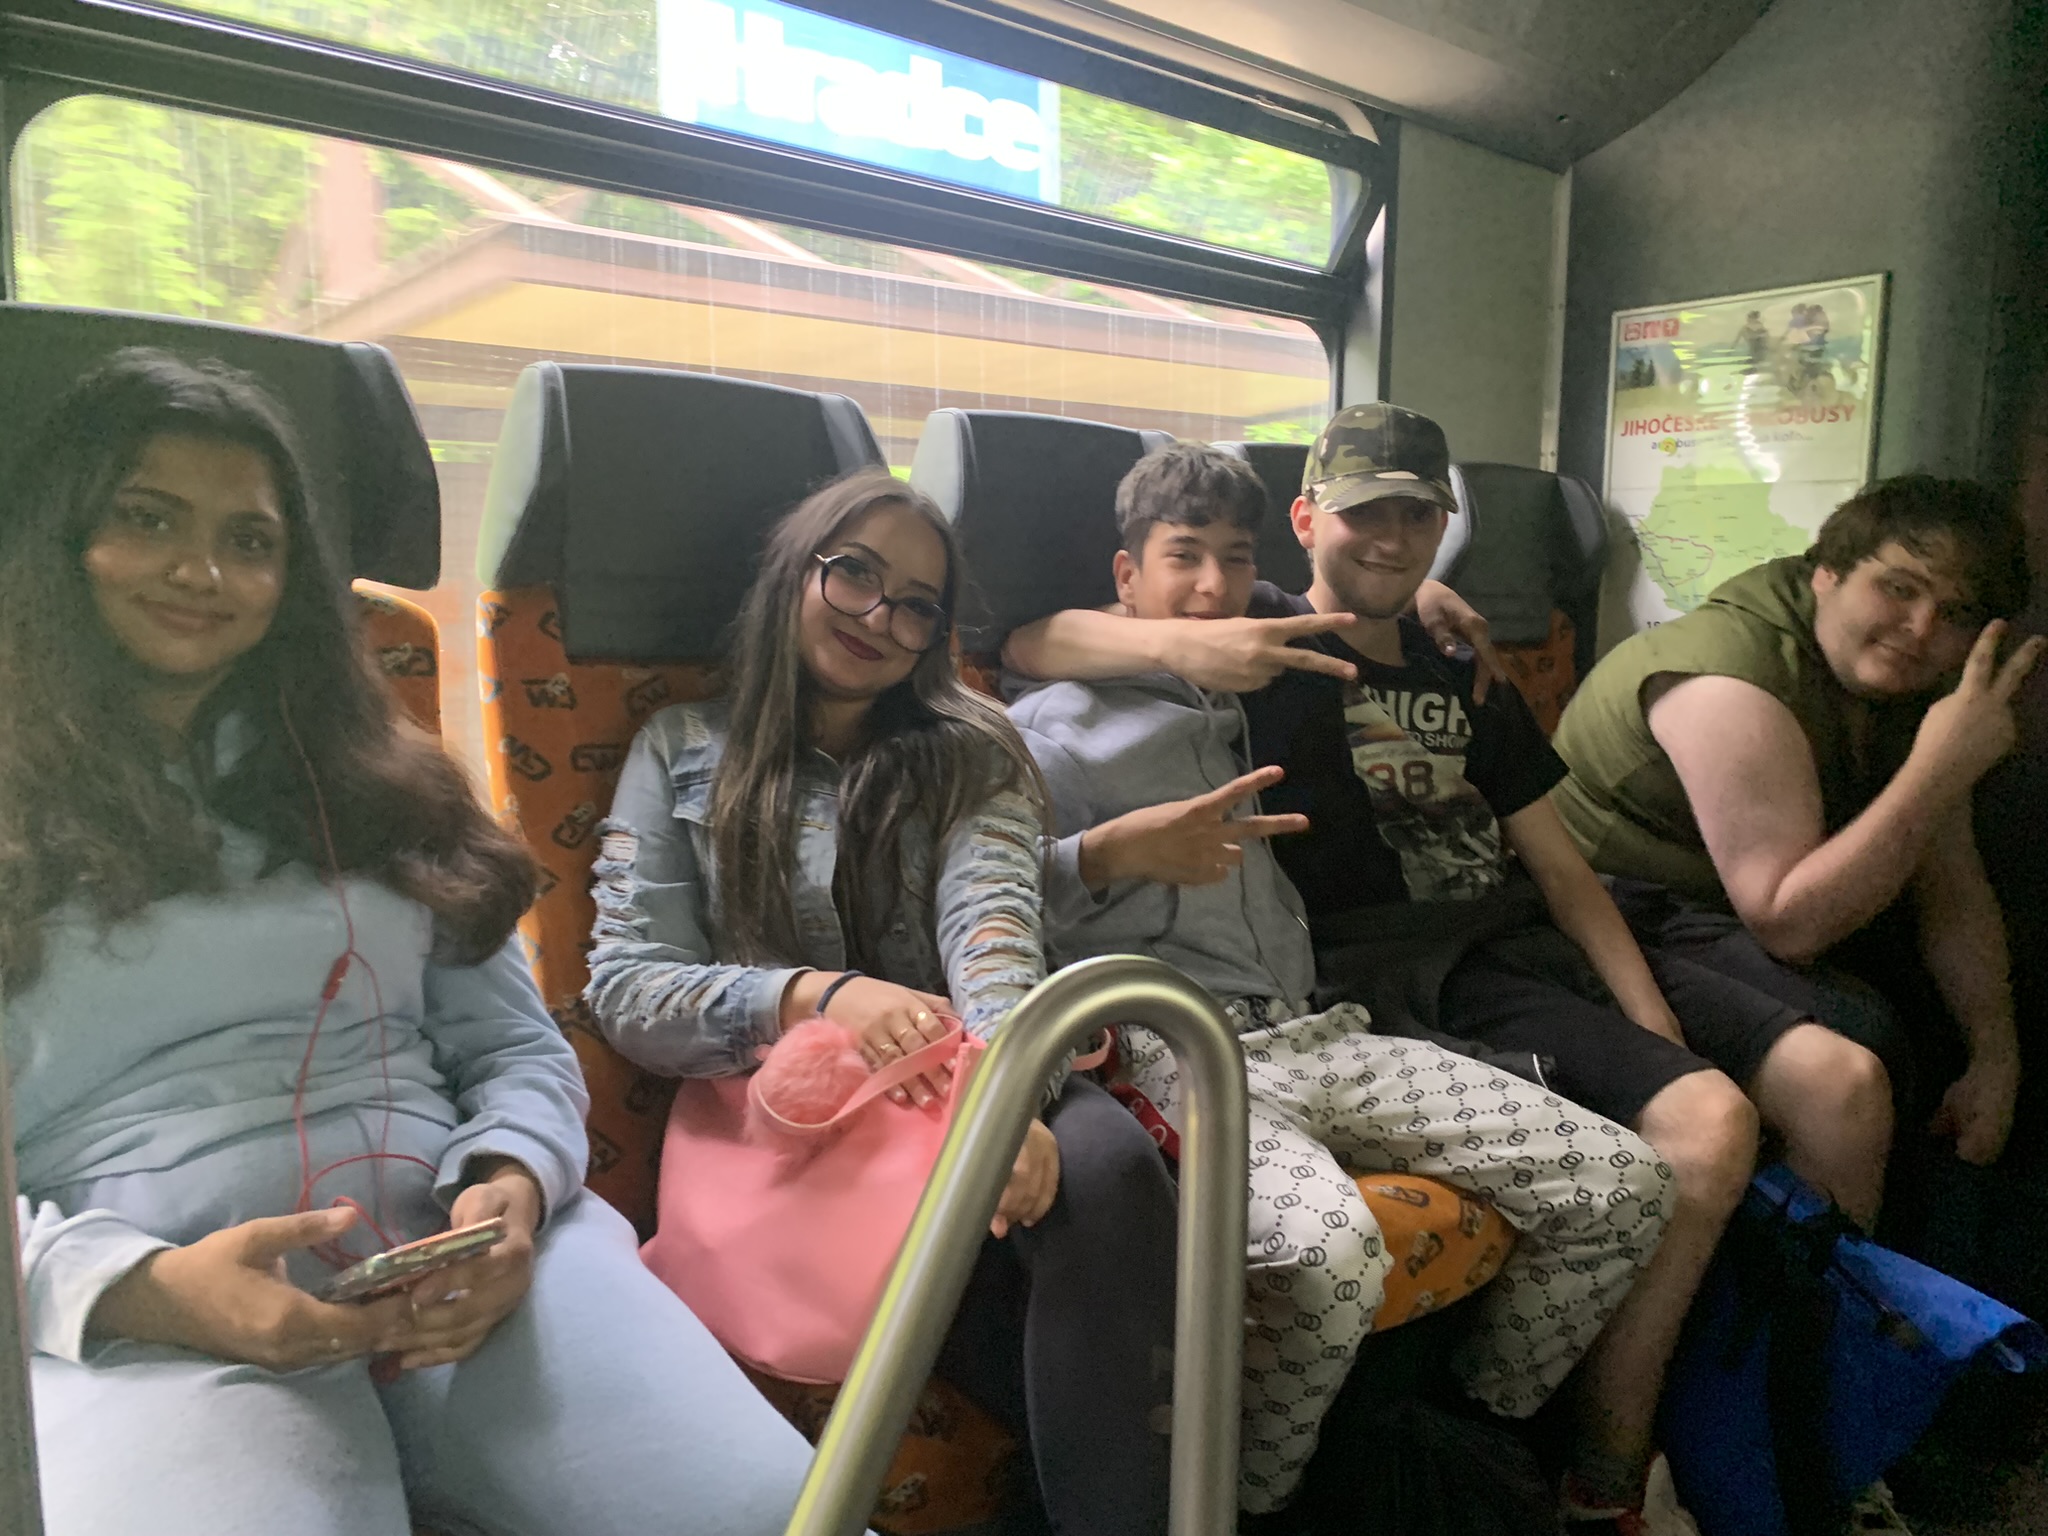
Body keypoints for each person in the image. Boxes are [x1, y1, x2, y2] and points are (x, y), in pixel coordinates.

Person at [1004, 406, 1911, 1531]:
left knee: (1680, 1155)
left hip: (1372, 995)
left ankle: (1475, 1447)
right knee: (1351, 1253)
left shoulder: (1353, 664)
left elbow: (1550, 855)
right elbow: (1028, 656)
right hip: (1266, 1013)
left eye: (1230, 561)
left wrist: (1424, 605)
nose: (1211, 587)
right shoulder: (1195, 671)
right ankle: (1276, 1502)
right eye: (1183, 560)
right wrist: (1165, 688)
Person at [2, 349, 824, 1536]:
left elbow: (517, 1049)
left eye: (249, 540)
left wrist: (512, 1187)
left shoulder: (380, 784)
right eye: (148, 519)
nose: (202, 572)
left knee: (777, 1516)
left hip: (463, 1258)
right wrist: (140, 1290)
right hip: (141, 1309)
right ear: (58, 536)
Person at [584, 469, 1181, 1536]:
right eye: (853, 574)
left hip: (965, 1065)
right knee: (1008, 1294)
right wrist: (812, 995)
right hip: (782, 1102)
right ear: (794, 570)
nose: (876, 617)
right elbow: (626, 988)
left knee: (1104, 1171)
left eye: (914, 605)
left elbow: (993, 930)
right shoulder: (678, 748)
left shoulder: (970, 751)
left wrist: (1003, 1102)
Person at [1550, 477, 2042, 1178]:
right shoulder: (1729, 681)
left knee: (1952, 1025)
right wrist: (1938, 768)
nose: (1921, 628)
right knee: (1856, 1039)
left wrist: (1995, 1056)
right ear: (1828, 573)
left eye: (1955, 613)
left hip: (1717, 916)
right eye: (1899, 588)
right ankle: (1814, 1249)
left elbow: (1950, 883)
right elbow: (1788, 922)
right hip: (1598, 914)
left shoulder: (1912, 685)